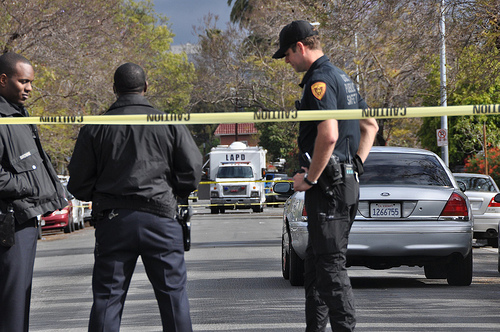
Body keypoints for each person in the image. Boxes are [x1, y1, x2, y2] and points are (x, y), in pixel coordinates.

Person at [67, 62, 202, 332]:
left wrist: (101, 193)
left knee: (107, 300)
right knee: (174, 300)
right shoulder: (167, 122)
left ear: (114, 89)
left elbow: (78, 183)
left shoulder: (96, 127)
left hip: (114, 221)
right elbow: (193, 169)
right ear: (146, 87)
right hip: (161, 219)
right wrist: (176, 191)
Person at [273, 21, 379, 331]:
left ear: (300, 48)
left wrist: (311, 178)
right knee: (317, 269)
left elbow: (329, 134)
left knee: (331, 270)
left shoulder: (318, 80)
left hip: (329, 189)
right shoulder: (343, 77)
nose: (287, 61)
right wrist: (356, 164)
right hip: (344, 184)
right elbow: (370, 125)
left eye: (287, 55)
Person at [0, 52, 67, 332]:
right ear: (3, 79)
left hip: (23, 220)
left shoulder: (18, 114)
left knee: (19, 300)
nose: (29, 88)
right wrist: (29, 187)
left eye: (31, 82)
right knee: (12, 304)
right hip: (9, 223)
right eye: (23, 81)